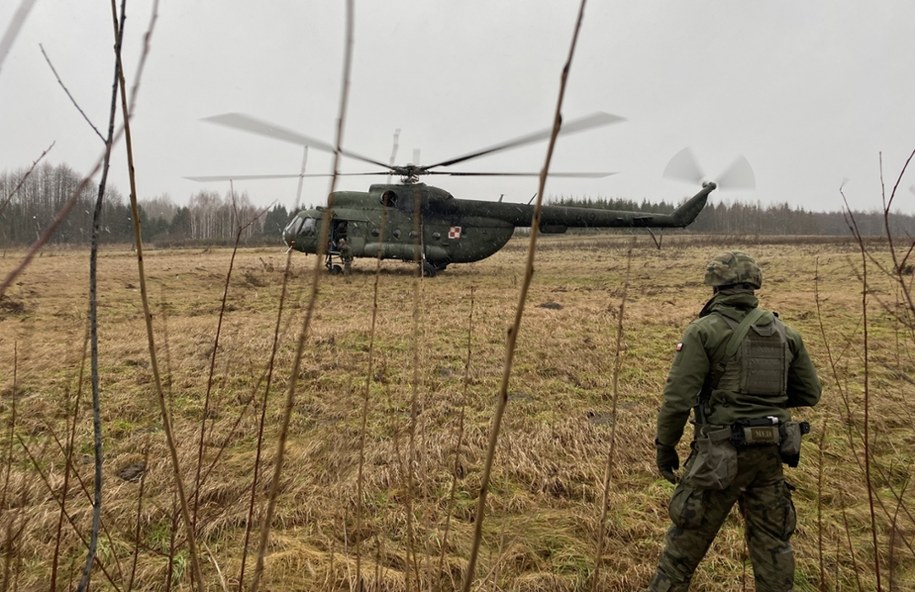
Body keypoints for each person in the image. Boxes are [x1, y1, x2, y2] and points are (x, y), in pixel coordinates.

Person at [648, 251, 821, 592]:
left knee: (679, 557)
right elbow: (810, 393)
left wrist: (665, 448)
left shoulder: (703, 331)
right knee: (774, 550)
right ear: (754, 286)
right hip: (770, 453)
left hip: (719, 459)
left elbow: (678, 399)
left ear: (714, 286)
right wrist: (764, 400)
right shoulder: (786, 333)